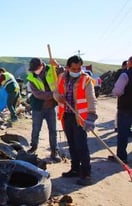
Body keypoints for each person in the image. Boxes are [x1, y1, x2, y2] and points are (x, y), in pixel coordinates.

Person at [54, 55, 97, 186]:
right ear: (68, 67)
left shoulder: (86, 79)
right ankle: (75, 169)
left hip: (80, 118)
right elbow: (56, 92)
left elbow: (91, 99)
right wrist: (58, 97)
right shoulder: (61, 77)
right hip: (66, 115)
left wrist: (91, 117)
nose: (77, 70)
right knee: (72, 144)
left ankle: (86, 174)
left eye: (79, 68)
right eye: (74, 68)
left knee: (81, 146)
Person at [26, 58, 64, 162]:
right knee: (36, 129)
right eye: (33, 69)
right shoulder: (31, 78)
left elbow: (63, 73)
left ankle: (54, 152)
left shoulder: (51, 69)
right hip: (38, 107)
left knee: (53, 131)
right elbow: (38, 94)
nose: (35, 71)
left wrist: (57, 65)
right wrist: (53, 94)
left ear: (42, 65)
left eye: (37, 68)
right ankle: (33, 147)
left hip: (51, 107)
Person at [110, 56, 132, 164]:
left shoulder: (125, 75)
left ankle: (121, 157)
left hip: (125, 107)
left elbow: (117, 91)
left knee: (123, 132)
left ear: (130, 63)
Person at [114, 60, 127, 132]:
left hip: (123, 96)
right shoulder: (120, 73)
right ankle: (117, 126)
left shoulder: (122, 73)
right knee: (120, 112)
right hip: (122, 96)